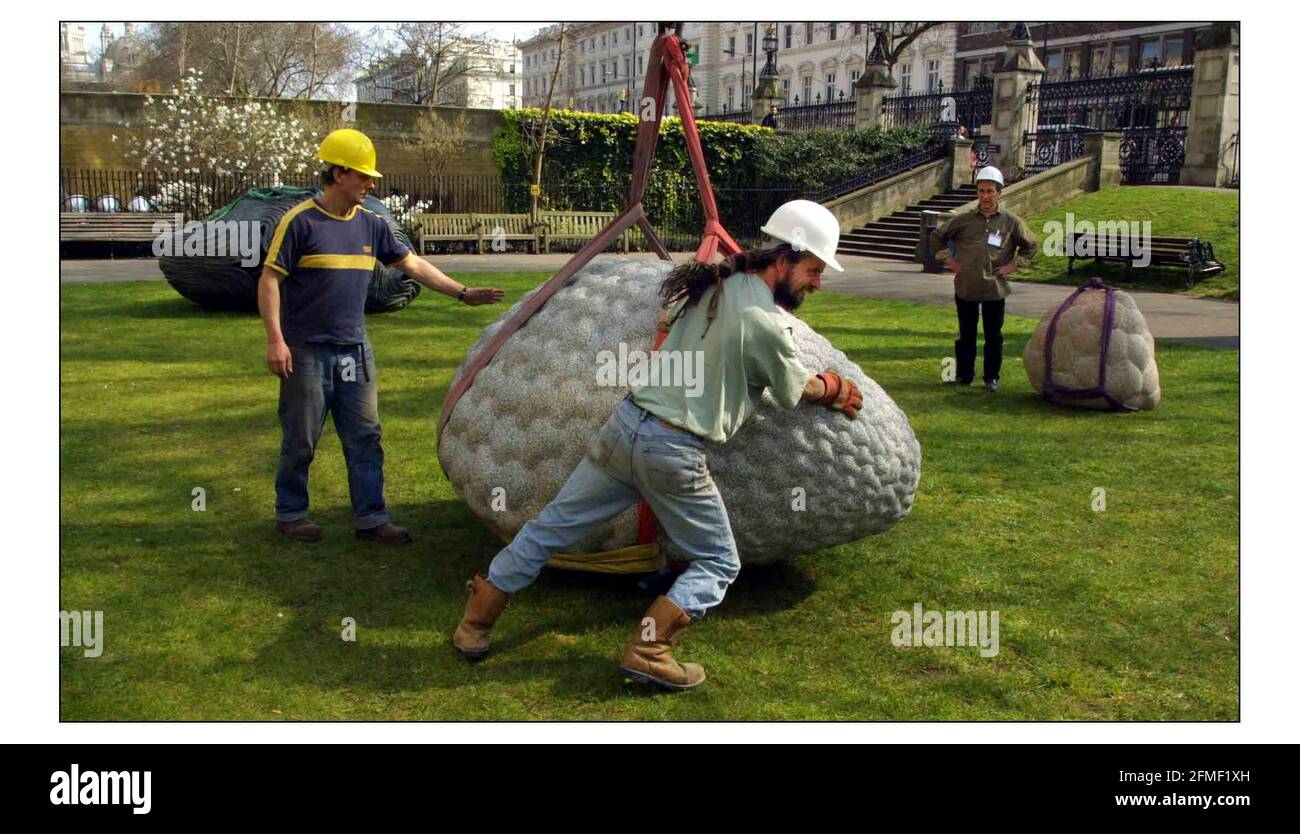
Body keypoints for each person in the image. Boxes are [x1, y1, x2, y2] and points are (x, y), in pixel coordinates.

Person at [451, 200, 864, 690]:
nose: (816, 283)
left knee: (550, 529)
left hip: (624, 428)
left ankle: (474, 624)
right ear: (784, 259)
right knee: (718, 561)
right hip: (673, 449)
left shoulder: (717, 282)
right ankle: (650, 649)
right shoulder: (765, 322)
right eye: (813, 270)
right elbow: (795, 388)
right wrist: (834, 388)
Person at [258, 128, 504, 544]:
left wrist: (461, 293)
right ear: (338, 173)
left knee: (365, 437)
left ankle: (371, 519)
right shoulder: (299, 222)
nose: (371, 184)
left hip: (355, 350)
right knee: (301, 437)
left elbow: (414, 266)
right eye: (363, 176)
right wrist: (276, 341)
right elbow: (268, 280)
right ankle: (291, 512)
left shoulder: (372, 225)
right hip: (307, 351)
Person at [930, 166, 1037, 392]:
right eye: (981, 191)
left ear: (999, 193)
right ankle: (963, 375)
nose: (985, 196)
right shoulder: (964, 220)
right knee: (966, 336)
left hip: (995, 290)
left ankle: (991, 378)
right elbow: (938, 237)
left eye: (990, 191)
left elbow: (1031, 245)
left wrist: (1013, 265)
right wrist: (950, 261)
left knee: (993, 337)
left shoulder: (1010, 222)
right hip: (966, 288)